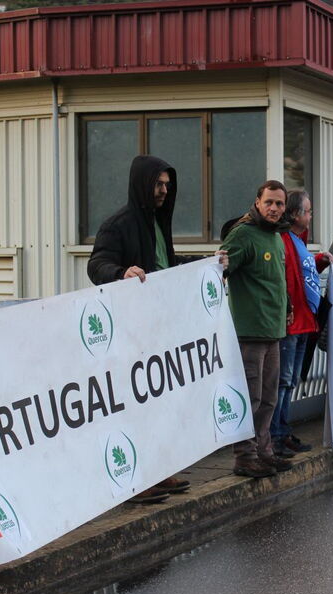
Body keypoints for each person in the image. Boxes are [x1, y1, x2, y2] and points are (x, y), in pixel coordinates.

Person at [88, 154, 224, 500]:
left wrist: (208, 264)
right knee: (136, 407)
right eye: (158, 184)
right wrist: (121, 273)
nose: (164, 191)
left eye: (167, 185)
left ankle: (159, 470)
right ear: (142, 184)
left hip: (159, 328)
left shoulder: (159, 224)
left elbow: (168, 264)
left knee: (159, 404)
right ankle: (136, 480)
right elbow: (97, 264)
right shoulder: (117, 225)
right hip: (131, 332)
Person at [220, 180, 293, 477]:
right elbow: (221, 268)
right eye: (269, 202)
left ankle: (264, 451)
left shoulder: (275, 236)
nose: (274, 208)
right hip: (249, 331)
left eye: (279, 203)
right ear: (258, 202)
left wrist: (287, 307)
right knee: (249, 398)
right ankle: (245, 456)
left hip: (273, 330)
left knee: (268, 399)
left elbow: (277, 279)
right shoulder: (243, 234)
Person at [270, 191, 331, 457]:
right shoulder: (283, 240)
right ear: (296, 214)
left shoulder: (297, 240)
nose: (311, 215)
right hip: (292, 322)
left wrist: (319, 262)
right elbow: (286, 278)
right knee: (283, 381)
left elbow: (301, 273)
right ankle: (275, 435)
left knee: (291, 381)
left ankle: (282, 431)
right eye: (308, 211)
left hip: (304, 320)